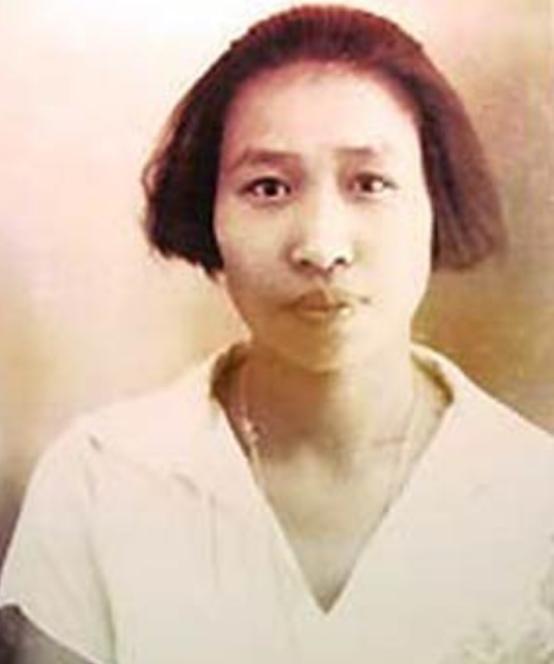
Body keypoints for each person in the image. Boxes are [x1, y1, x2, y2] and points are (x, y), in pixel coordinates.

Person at [0, 5, 553, 663]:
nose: (321, 247)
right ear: (209, 214)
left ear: (438, 202)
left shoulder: (535, 499)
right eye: (267, 188)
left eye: (370, 183)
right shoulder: (99, 480)